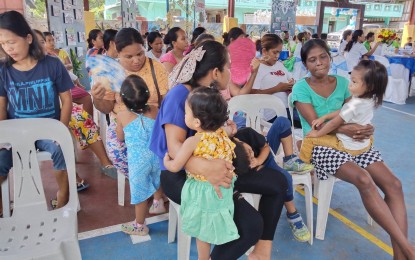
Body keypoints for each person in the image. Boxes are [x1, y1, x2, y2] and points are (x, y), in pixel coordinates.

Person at [150, 41, 288, 260]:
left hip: (217, 166)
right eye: (229, 66)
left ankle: (261, 252)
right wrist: (207, 168)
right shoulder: (181, 95)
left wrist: (234, 143)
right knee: (252, 225)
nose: (231, 71)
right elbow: (174, 149)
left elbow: (214, 133)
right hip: (182, 176)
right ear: (216, 71)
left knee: (279, 182)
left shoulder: (209, 94)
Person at [291, 39, 415, 259]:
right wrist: (350, 130)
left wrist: (365, 128)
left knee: (394, 184)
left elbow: (356, 111)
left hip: (353, 142)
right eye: (312, 60)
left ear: (330, 57)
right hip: (322, 143)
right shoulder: (301, 87)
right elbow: (316, 124)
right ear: (304, 64)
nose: (319, 63)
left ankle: (400, 254)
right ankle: (407, 248)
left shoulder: (343, 82)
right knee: (364, 179)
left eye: (323, 57)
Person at [0, 11, 72, 209]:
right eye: (3, 43)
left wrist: (61, 132)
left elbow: (67, 100)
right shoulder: (3, 70)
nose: (8, 48)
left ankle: (63, 199)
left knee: (60, 149)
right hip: (16, 133)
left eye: (12, 42)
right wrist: (3, 138)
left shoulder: (52, 65)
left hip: (48, 131)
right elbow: (1, 107)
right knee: (1, 159)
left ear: (28, 38)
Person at [91, 28, 168, 210]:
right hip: (123, 123)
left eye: (140, 54)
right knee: (118, 152)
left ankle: (150, 187)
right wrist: (98, 97)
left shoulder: (156, 67)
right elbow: (106, 108)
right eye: (129, 56)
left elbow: (165, 103)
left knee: (165, 149)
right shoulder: (110, 71)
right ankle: (149, 186)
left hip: (153, 121)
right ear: (117, 53)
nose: (136, 60)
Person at [163, 87, 240, 259]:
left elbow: (176, 167)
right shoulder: (222, 134)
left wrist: (166, 161)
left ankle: (203, 258)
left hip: (202, 192)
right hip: (223, 190)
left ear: (196, 122)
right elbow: (229, 131)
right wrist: (232, 130)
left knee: (202, 230)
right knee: (214, 221)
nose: (184, 116)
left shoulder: (193, 141)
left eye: (186, 112)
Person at [34, 29, 116, 181]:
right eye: (38, 42)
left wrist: (61, 125)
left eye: (42, 42)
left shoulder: (51, 61)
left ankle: (105, 163)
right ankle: (72, 177)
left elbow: (66, 95)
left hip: (57, 109)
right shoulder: (15, 68)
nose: (41, 45)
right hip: (33, 118)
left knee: (82, 117)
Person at [234, 125, 312, 242]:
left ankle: (289, 159)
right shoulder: (233, 159)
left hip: (267, 158)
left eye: (250, 151)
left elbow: (266, 147)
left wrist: (258, 160)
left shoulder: (246, 133)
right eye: (248, 159)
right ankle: (293, 214)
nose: (251, 155)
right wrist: (254, 165)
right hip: (258, 170)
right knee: (284, 177)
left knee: (282, 122)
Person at [300, 59, 387, 163]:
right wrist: (325, 117)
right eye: (351, 80)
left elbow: (333, 124)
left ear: (369, 87)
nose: (350, 84)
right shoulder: (371, 99)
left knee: (309, 139)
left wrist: (317, 134)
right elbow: (344, 110)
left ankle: (303, 165)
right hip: (365, 144)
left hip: (347, 146)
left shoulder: (352, 105)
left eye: (354, 82)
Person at [116, 75, 164, 235]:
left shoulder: (122, 116)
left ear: (123, 100)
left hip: (138, 162)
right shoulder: (156, 110)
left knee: (140, 195)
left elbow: (120, 137)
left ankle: (139, 225)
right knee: (157, 178)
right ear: (147, 94)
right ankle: (158, 203)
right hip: (157, 156)